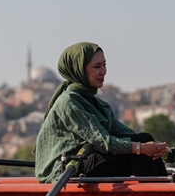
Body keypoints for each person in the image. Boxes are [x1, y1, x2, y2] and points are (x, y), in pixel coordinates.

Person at [35, 42, 168, 183]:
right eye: (97, 67)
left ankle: (167, 195)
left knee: (144, 137)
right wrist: (141, 148)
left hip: (86, 160)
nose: (103, 71)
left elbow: (126, 134)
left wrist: (156, 147)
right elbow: (103, 142)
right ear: (79, 70)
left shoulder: (95, 102)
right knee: (136, 153)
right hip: (66, 170)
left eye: (104, 65)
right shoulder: (68, 102)